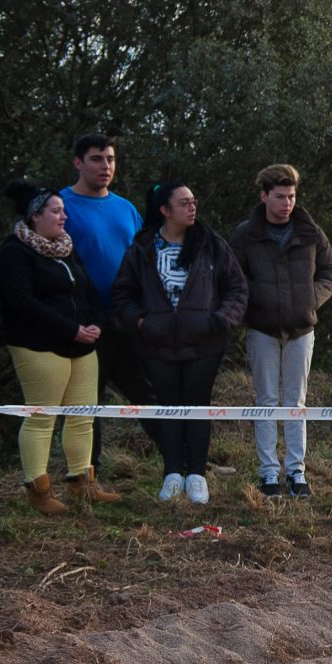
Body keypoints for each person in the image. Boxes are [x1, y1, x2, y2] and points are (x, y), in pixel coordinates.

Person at [113, 182, 248, 506]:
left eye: (194, 201)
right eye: (184, 203)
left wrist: (219, 320)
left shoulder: (211, 244)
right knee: (168, 406)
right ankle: (172, 473)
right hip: (157, 344)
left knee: (197, 405)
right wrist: (142, 322)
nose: (192, 208)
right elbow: (122, 295)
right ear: (165, 210)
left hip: (204, 343)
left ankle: (197, 475)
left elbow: (237, 287)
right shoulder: (142, 248)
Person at [0, 182, 114, 514]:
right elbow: (21, 302)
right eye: (56, 211)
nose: (64, 216)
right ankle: (38, 490)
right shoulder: (13, 252)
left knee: (82, 417)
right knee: (41, 417)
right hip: (39, 346)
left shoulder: (67, 247)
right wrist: (70, 329)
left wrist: (95, 325)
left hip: (83, 347)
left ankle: (82, 483)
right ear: (35, 216)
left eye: (64, 209)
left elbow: (88, 291)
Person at [228, 164, 332, 497]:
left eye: (291, 196)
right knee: (266, 400)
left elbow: (330, 273)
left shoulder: (311, 231)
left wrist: (309, 302)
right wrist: (256, 304)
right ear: (264, 196)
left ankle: (297, 472)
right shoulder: (245, 234)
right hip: (262, 329)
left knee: (296, 401)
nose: (286, 203)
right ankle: (268, 474)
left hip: (302, 329)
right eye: (279, 197)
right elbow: (234, 278)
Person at [61, 133, 146, 473]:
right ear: (78, 163)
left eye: (110, 159)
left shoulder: (126, 209)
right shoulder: (61, 205)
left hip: (127, 318)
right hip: (83, 321)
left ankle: (180, 467)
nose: (106, 166)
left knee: (148, 392)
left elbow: (143, 261)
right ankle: (85, 474)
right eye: (97, 159)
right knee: (86, 401)